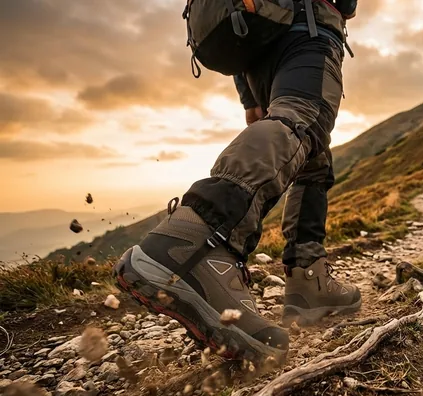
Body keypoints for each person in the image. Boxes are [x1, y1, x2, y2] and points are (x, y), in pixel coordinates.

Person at [114, 0, 361, 363]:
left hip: (259, 46)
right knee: (303, 119)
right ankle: (197, 239)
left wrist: (248, 94)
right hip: (308, 28)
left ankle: (308, 280)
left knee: (311, 157)